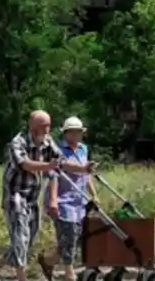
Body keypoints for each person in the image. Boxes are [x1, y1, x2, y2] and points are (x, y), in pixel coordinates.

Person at [0, 110, 95, 281]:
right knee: (20, 237)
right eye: (43, 126)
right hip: (15, 196)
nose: (47, 130)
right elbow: (25, 164)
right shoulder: (18, 143)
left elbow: (62, 162)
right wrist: (48, 166)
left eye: (48, 126)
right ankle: (21, 277)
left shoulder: (48, 141)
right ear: (32, 127)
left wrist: (83, 168)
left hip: (32, 197)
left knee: (27, 241)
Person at [37, 116, 98, 281]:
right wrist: (53, 201)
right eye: (72, 132)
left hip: (79, 200)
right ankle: (69, 274)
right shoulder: (57, 150)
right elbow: (60, 169)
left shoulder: (83, 149)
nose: (76, 135)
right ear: (66, 133)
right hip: (62, 200)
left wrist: (94, 194)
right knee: (69, 235)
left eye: (79, 132)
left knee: (76, 238)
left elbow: (86, 174)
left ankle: (48, 261)